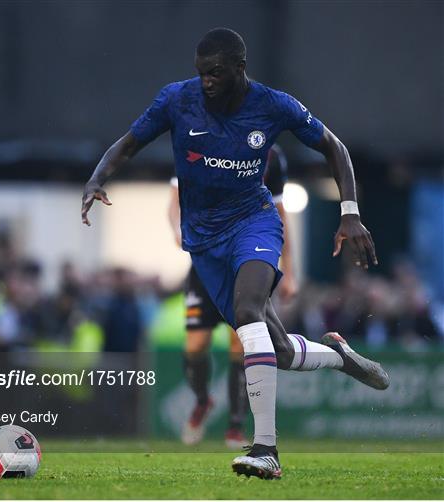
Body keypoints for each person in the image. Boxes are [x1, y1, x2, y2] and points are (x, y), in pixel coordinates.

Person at [81, 28, 389, 480]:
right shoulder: (176, 100)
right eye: (202, 73)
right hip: (204, 244)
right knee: (280, 350)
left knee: (249, 312)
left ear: (240, 69)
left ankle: (266, 449)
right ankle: (338, 356)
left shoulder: (273, 105)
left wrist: (349, 212)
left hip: (254, 223)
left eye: (216, 73)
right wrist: (95, 179)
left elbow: (333, 146)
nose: (206, 81)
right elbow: (128, 143)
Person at [167, 145, 297, 448]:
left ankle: (235, 426)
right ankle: (202, 400)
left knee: (242, 341)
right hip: (206, 262)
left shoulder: (273, 156)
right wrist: (177, 230)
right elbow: (174, 199)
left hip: (245, 261)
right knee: (196, 345)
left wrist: (289, 271)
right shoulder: (200, 142)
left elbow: (280, 215)